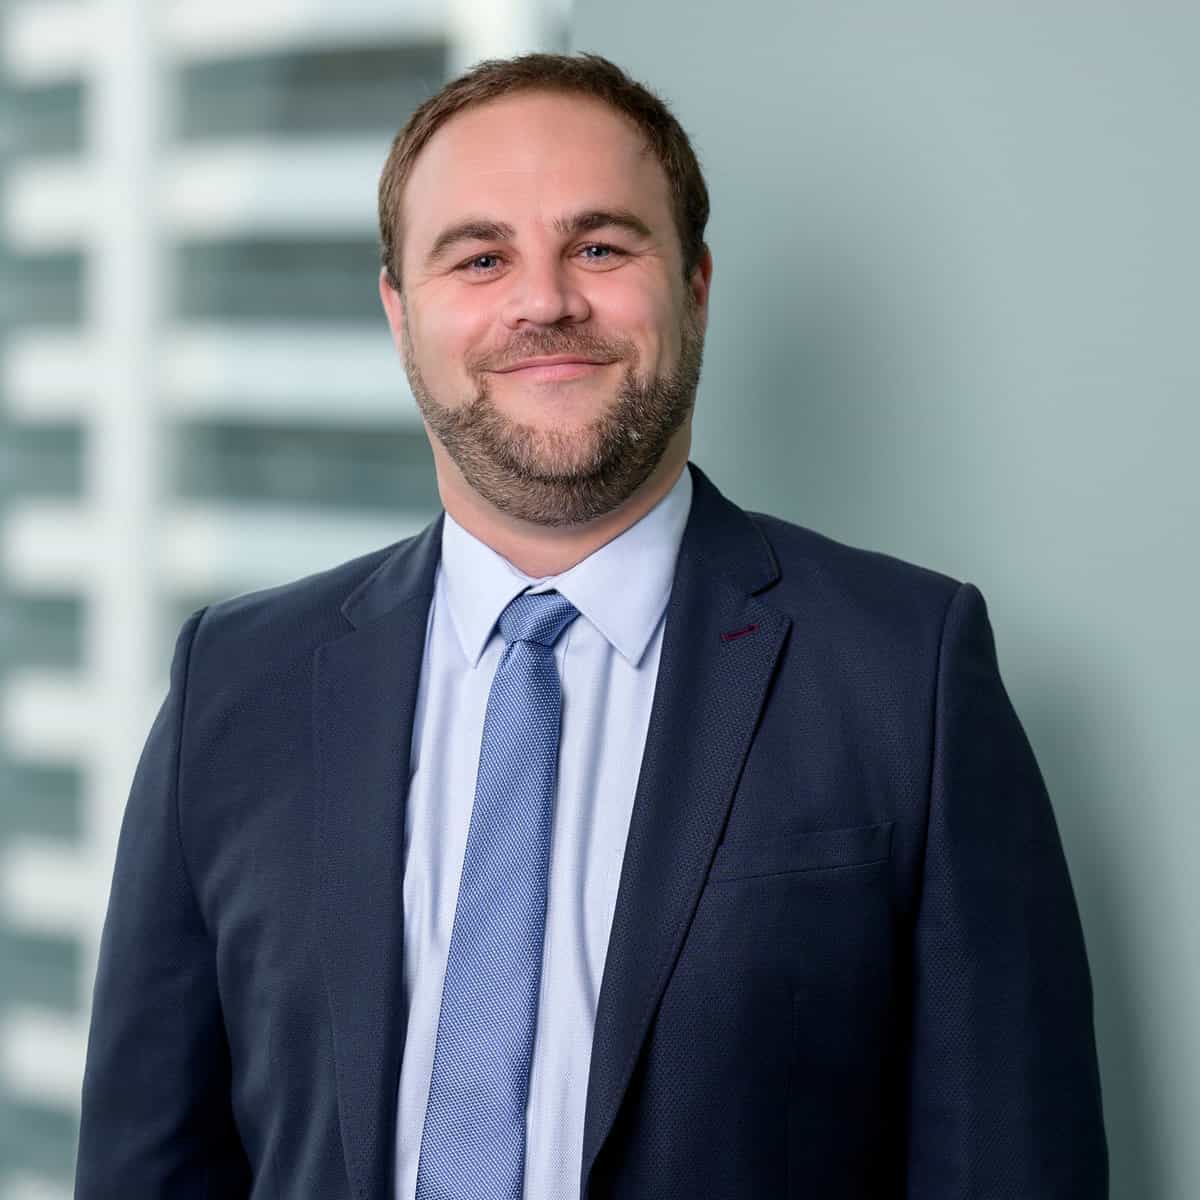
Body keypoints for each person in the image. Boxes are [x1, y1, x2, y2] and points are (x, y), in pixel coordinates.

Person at [74, 51, 1107, 1199]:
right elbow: (145, 1169)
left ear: (697, 287)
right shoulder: (235, 683)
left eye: (602, 247)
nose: (543, 301)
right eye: (480, 257)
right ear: (399, 312)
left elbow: (1011, 1162)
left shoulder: (907, 670)